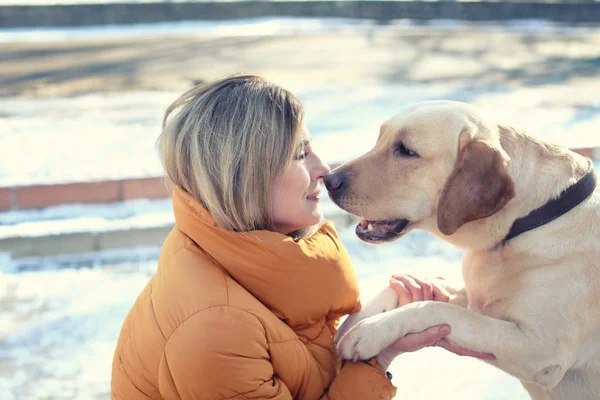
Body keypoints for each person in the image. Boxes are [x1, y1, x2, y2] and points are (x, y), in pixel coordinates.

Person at [111, 74, 491, 400]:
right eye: (299, 154)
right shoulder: (214, 330)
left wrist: (373, 319)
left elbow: (300, 365)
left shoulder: (242, 251)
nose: (324, 169)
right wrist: (379, 357)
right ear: (244, 177)